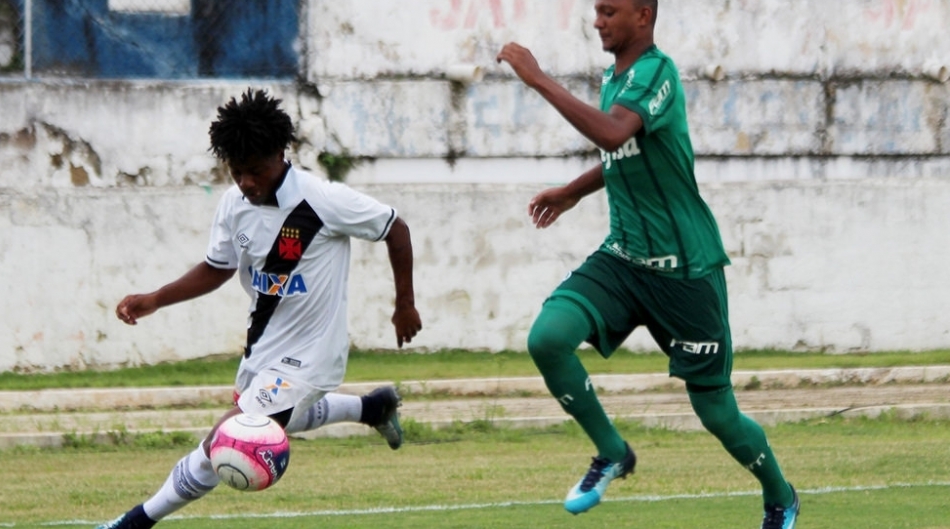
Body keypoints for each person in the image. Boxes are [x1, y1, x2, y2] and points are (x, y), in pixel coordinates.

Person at [496, 1, 799, 527]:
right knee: (547, 338)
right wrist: (572, 192)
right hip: (625, 259)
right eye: (596, 11)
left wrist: (538, 78)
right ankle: (612, 452)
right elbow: (624, 152)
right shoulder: (614, 78)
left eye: (609, 11)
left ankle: (780, 494)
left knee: (718, 415)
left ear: (642, 14)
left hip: (686, 272)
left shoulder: (658, 71)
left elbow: (614, 134)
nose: (598, 21)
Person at [97, 88, 422, 529]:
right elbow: (218, 268)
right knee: (284, 417)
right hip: (264, 349)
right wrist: (155, 299)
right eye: (236, 172)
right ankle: (372, 408)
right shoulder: (235, 204)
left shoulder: (322, 200)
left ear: (280, 154)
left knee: (226, 439)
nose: (246, 182)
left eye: (256, 171)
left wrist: (404, 304)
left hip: (312, 356)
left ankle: (133, 523)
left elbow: (394, 228)